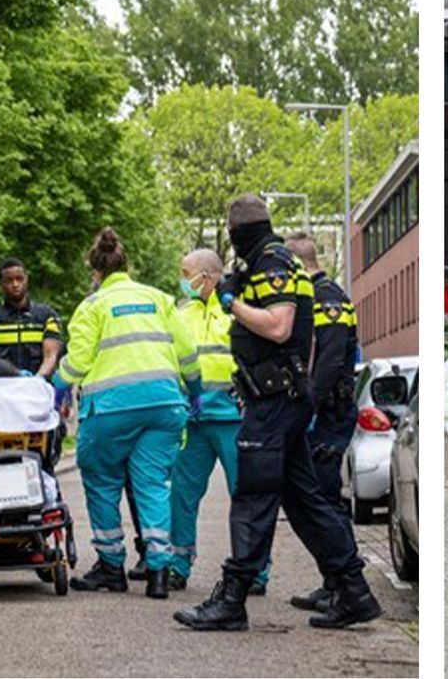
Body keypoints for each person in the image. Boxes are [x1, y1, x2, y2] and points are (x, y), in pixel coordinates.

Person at [173, 194, 381, 632]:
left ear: (237, 232)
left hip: (274, 400)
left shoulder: (271, 262)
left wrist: (232, 304)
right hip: (281, 397)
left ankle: (233, 599)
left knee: (253, 495)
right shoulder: (270, 261)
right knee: (304, 500)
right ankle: (354, 590)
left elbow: (279, 325)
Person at [52, 228, 203, 599]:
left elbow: (80, 359)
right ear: (127, 265)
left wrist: (55, 385)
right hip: (165, 405)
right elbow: (187, 352)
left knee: (102, 481)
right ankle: (158, 572)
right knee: (152, 485)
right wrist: (195, 391)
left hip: (112, 409)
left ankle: (111, 567)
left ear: (95, 273)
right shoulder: (160, 299)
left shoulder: (92, 306)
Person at [167, 248, 268, 594]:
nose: (183, 279)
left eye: (186, 272)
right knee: (182, 494)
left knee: (245, 495)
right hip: (194, 419)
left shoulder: (236, 309)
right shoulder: (181, 314)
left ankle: (255, 571)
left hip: (233, 416)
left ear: (206, 277)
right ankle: (178, 564)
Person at [284, 232, 360, 614]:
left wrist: (307, 406)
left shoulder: (327, 298)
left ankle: (344, 586)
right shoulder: (313, 296)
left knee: (325, 497)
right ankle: (333, 581)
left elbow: (328, 362)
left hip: (328, 414)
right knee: (317, 496)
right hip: (322, 412)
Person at [0, 258, 64, 379]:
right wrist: (11, 377)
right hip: (2, 389)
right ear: (1, 285)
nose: (15, 284)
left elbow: (51, 356)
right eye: (9, 280)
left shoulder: (47, 316)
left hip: (37, 389)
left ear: (27, 279)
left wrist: (37, 379)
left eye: (19, 279)